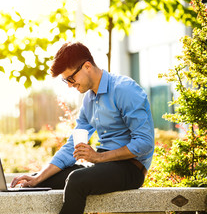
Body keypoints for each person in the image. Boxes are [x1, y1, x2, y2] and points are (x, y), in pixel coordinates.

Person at [10, 42, 155, 214]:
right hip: (103, 165)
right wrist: (37, 177)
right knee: (39, 182)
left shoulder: (124, 89)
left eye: (71, 78)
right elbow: (72, 147)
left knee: (76, 180)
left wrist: (99, 157)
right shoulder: (89, 100)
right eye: (66, 81)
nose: (70, 85)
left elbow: (145, 143)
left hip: (131, 168)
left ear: (87, 66)